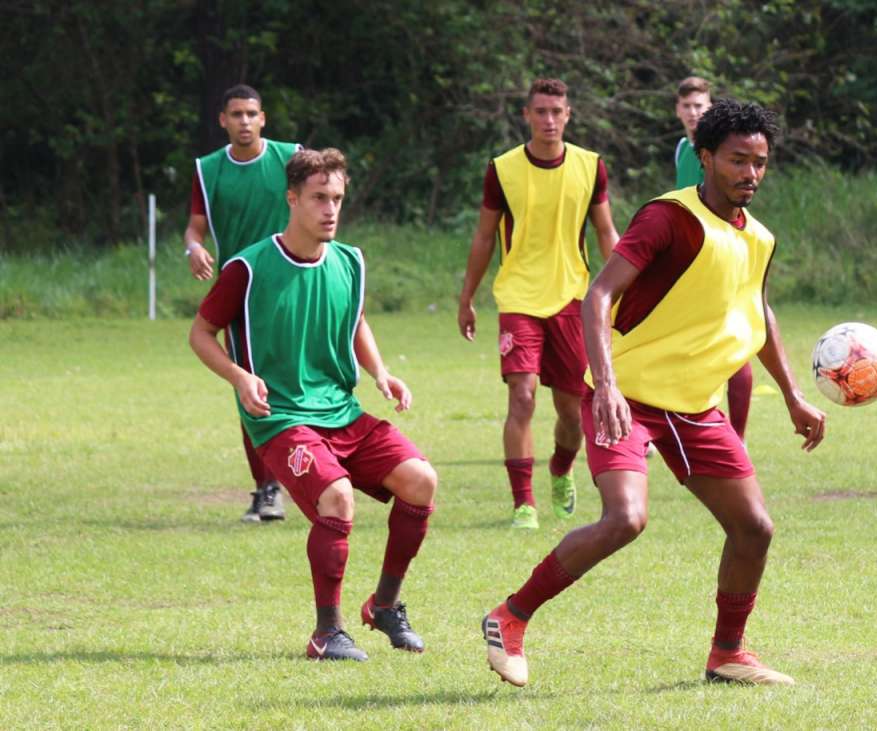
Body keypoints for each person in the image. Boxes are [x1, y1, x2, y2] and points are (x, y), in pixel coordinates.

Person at [482, 100, 826, 687]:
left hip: (694, 406)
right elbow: (598, 296)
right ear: (705, 157)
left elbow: (758, 312)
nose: (750, 174)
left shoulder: (760, 238)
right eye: (737, 160)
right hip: (627, 398)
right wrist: (607, 385)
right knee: (626, 518)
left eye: (760, 163)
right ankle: (509, 616)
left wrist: (793, 395)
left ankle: (727, 654)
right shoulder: (668, 217)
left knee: (755, 529)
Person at [189, 148, 437, 661]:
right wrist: (238, 377)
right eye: (319, 198)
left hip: (341, 411)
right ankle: (328, 632)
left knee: (421, 480)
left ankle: (385, 607)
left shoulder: (350, 261)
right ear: (293, 199)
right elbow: (201, 332)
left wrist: (381, 373)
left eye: (338, 199)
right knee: (337, 497)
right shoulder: (248, 267)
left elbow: (357, 321)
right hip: (280, 418)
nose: (330, 209)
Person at [458, 78, 620, 530]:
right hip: (519, 298)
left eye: (557, 111)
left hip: (572, 299)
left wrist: (630, 283)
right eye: (541, 112)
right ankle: (523, 504)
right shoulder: (503, 169)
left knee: (572, 413)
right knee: (523, 396)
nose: (549, 120)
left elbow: (606, 233)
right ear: (526, 116)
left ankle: (561, 469)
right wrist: (466, 297)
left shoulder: (590, 167)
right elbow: (485, 236)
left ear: (568, 115)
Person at [182, 84, 302, 522]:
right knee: (251, 387)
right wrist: (193, 249)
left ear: (263, 118)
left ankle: (312, 474)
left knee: (302, 384)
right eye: (236, 114)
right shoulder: (209, 169)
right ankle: (268, 488)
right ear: (223, 120)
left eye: (252, 113)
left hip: (293, 284)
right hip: (241, 295)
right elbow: (195, 229)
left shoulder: (291, 158)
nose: (245, 122)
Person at [674, 76, 755, 443]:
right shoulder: (681, 149)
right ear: (678, 111)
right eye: (688, 106)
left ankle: (735, 438)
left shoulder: (723, 152)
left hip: (718, 254)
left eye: (700, 106)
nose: (694, 113)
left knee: (736, 340)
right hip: (682, 255)